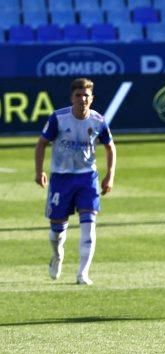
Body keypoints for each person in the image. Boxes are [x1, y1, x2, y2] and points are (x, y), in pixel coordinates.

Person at [34, 77, 116, 286]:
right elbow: (42, 143)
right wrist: (39, 171)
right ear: (72, 97)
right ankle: (57, 255)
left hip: (87, 178)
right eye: (78, 95)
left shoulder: (98, 120)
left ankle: (83, 273)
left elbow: (110, 147)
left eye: (86, 95)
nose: (82, 99)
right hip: (61, 179)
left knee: (89, 224)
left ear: (92, 98)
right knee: (56, 231)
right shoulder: (58, 118)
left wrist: (110, 175)